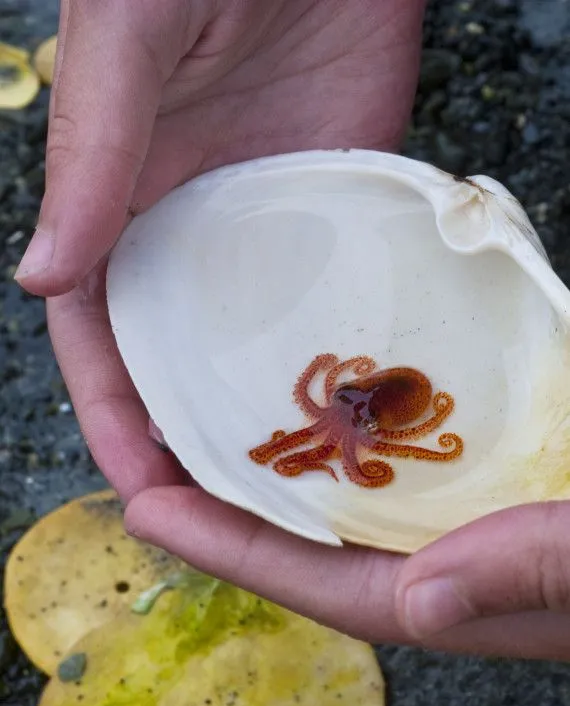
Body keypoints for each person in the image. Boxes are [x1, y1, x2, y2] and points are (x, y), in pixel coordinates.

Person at [14, 0, 570, 661]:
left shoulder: (368, 411)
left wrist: (346, 398)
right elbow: (346, 402)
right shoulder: (354, 409)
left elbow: (364, 409)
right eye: (342, 403)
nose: (335, 421)